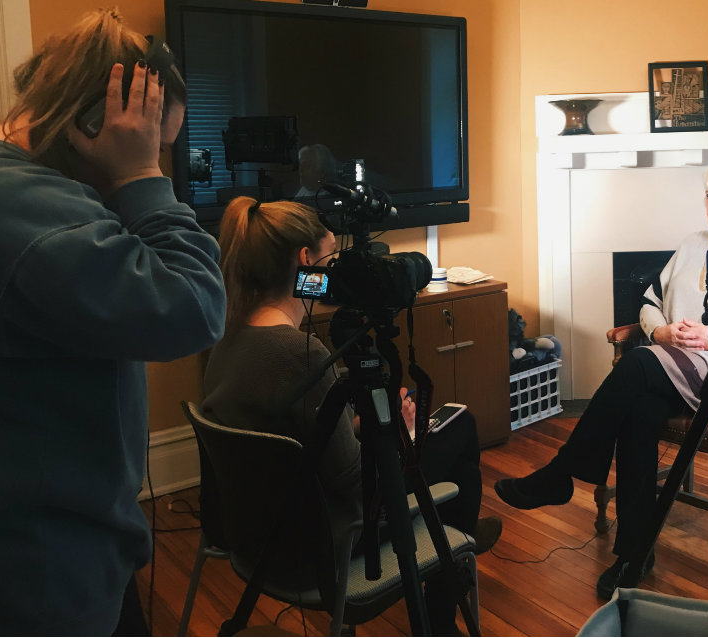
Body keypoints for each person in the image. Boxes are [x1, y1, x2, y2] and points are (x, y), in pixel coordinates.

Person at [0, 9, 226, 635]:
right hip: (36, 575)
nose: (163, 165)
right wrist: (141, 177)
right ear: (94, 124)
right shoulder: (22, 209)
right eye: (155, 147)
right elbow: (194, 306)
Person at [494, 160, 708, 600]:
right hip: (675, 366)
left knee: (637, 364)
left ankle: (563, 472)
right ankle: (633, 553)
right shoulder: (692, 244)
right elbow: (648, 299)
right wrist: (661, 331)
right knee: (638, 413)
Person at [201, 196, 501, 634]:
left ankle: (456, 542)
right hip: (325, 546)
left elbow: (297, 440)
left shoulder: (225, 340)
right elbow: (350, 481)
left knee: (441, 444)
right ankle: (444, 595)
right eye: (329, 263)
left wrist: (354, 425)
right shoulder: (296, 354)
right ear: (306, 261)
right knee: (460, 428)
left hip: (258, 539)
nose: (332, 279)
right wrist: (402, 431)